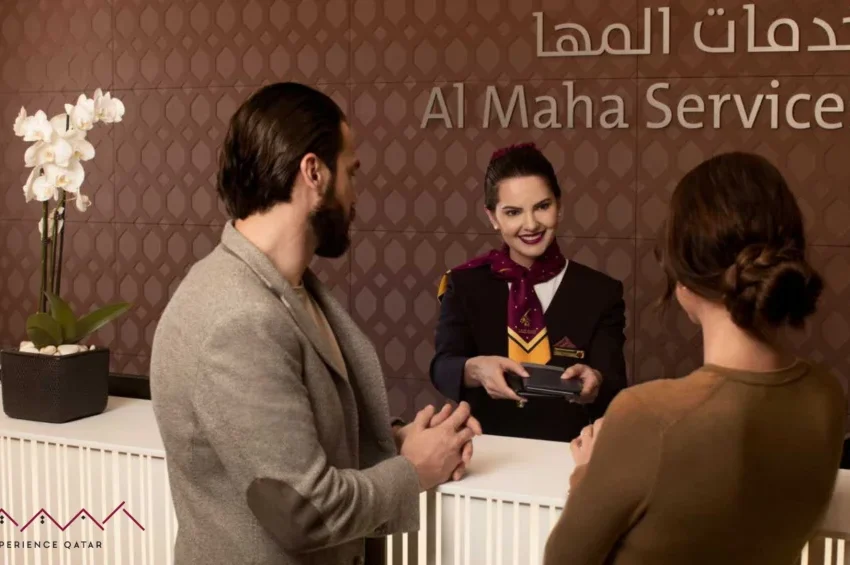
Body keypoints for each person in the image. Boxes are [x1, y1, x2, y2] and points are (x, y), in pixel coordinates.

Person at [150, 82, 480, 565]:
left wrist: (391, 442)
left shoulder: (288, 290)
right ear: (314, 173)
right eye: (350, 173)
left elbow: (294, 441)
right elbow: (304, 510)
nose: (355, 195)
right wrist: (413, 471)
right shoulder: (237, 320)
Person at [543, 152, 847, 565]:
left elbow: (564, 560)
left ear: (681, 280)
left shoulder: (647, 417)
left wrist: (589, 474)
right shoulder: (826, 397)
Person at [429, 142, 628, 443]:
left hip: (568, 456)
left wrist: (595, 382)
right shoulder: (464, 284)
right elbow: (442, 367)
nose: (531, 224)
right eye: (513, 212)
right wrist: (475, 368)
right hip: (484, 453)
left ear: (559, 206)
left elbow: (613, 385)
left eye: (542, 206)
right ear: (493, 217)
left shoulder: (600, 292)